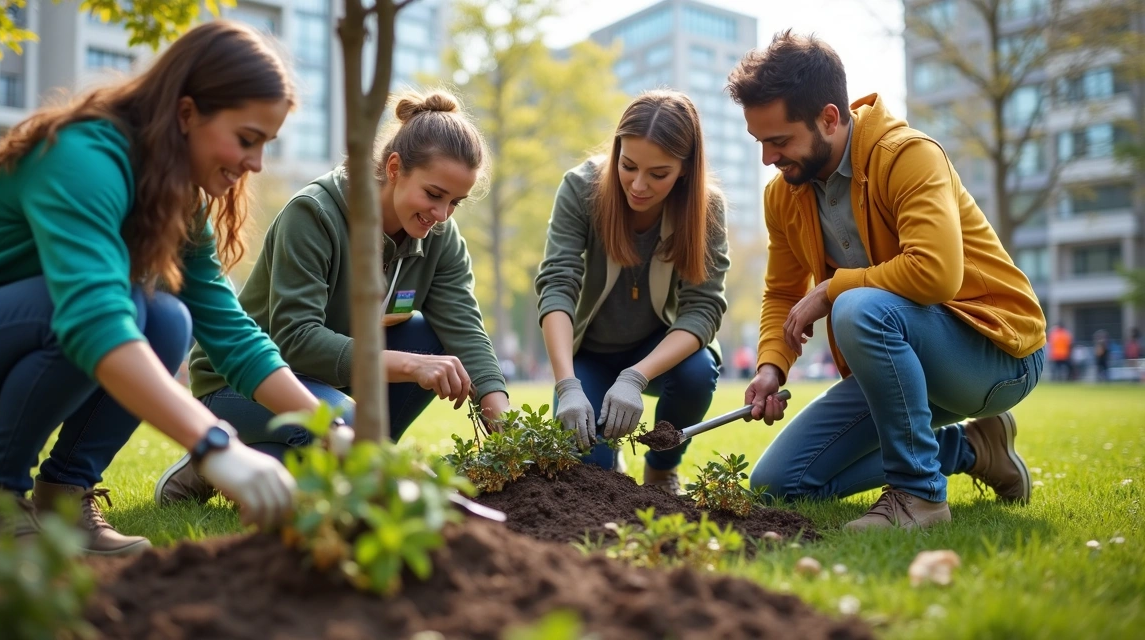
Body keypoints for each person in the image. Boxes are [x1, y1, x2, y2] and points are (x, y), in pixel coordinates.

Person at [0, 22, 320, 560]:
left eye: (265, 145)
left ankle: (64, 498)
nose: (255, 163)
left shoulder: (176, 196)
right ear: (187, 113)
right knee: (121, 308)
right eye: (247, 139)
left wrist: (331, 431)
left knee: (167, 318)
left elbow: (232, 333)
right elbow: (93, 320)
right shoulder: (82, 157)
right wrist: (216, 445)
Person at [727, 31, 1046, 530]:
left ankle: (919, 497)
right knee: (779, 483)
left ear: (828, 118)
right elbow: (783, 292)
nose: (768, 157)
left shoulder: (908, 155)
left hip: (998, 354)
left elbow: (935, 272)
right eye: (760, 142)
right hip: (900, 363)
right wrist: (771, 365)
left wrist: (833, 289)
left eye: (779, 140)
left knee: (857, 306)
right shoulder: (782, 195)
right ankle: (973, 449)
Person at [156, 90, 511, 505]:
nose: (442, 215)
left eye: (455, 202)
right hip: (244, 382)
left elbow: (465, 328)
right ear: (394, 168)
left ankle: (274, 457)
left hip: (335, 386)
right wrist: (412, 365)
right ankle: (226, 445)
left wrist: (505, 426)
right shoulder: (313, 214)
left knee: (429, 337)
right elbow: (296, 340)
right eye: (434, 194)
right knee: (355, 430)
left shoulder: (439, 235)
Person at [535, 90, 730, 495]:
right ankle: (609, 455)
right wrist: (567, 385)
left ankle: (661, 468)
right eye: (628, 166)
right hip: (589, 355)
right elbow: (557, 286)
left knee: (697, 373)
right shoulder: (581, 188)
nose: (639, 185)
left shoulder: (705, 208)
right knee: (591, 477)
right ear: (617, 151)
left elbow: (703, 308)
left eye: (658, 174)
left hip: (655, 353)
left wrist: (636, 376)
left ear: (685, 169)